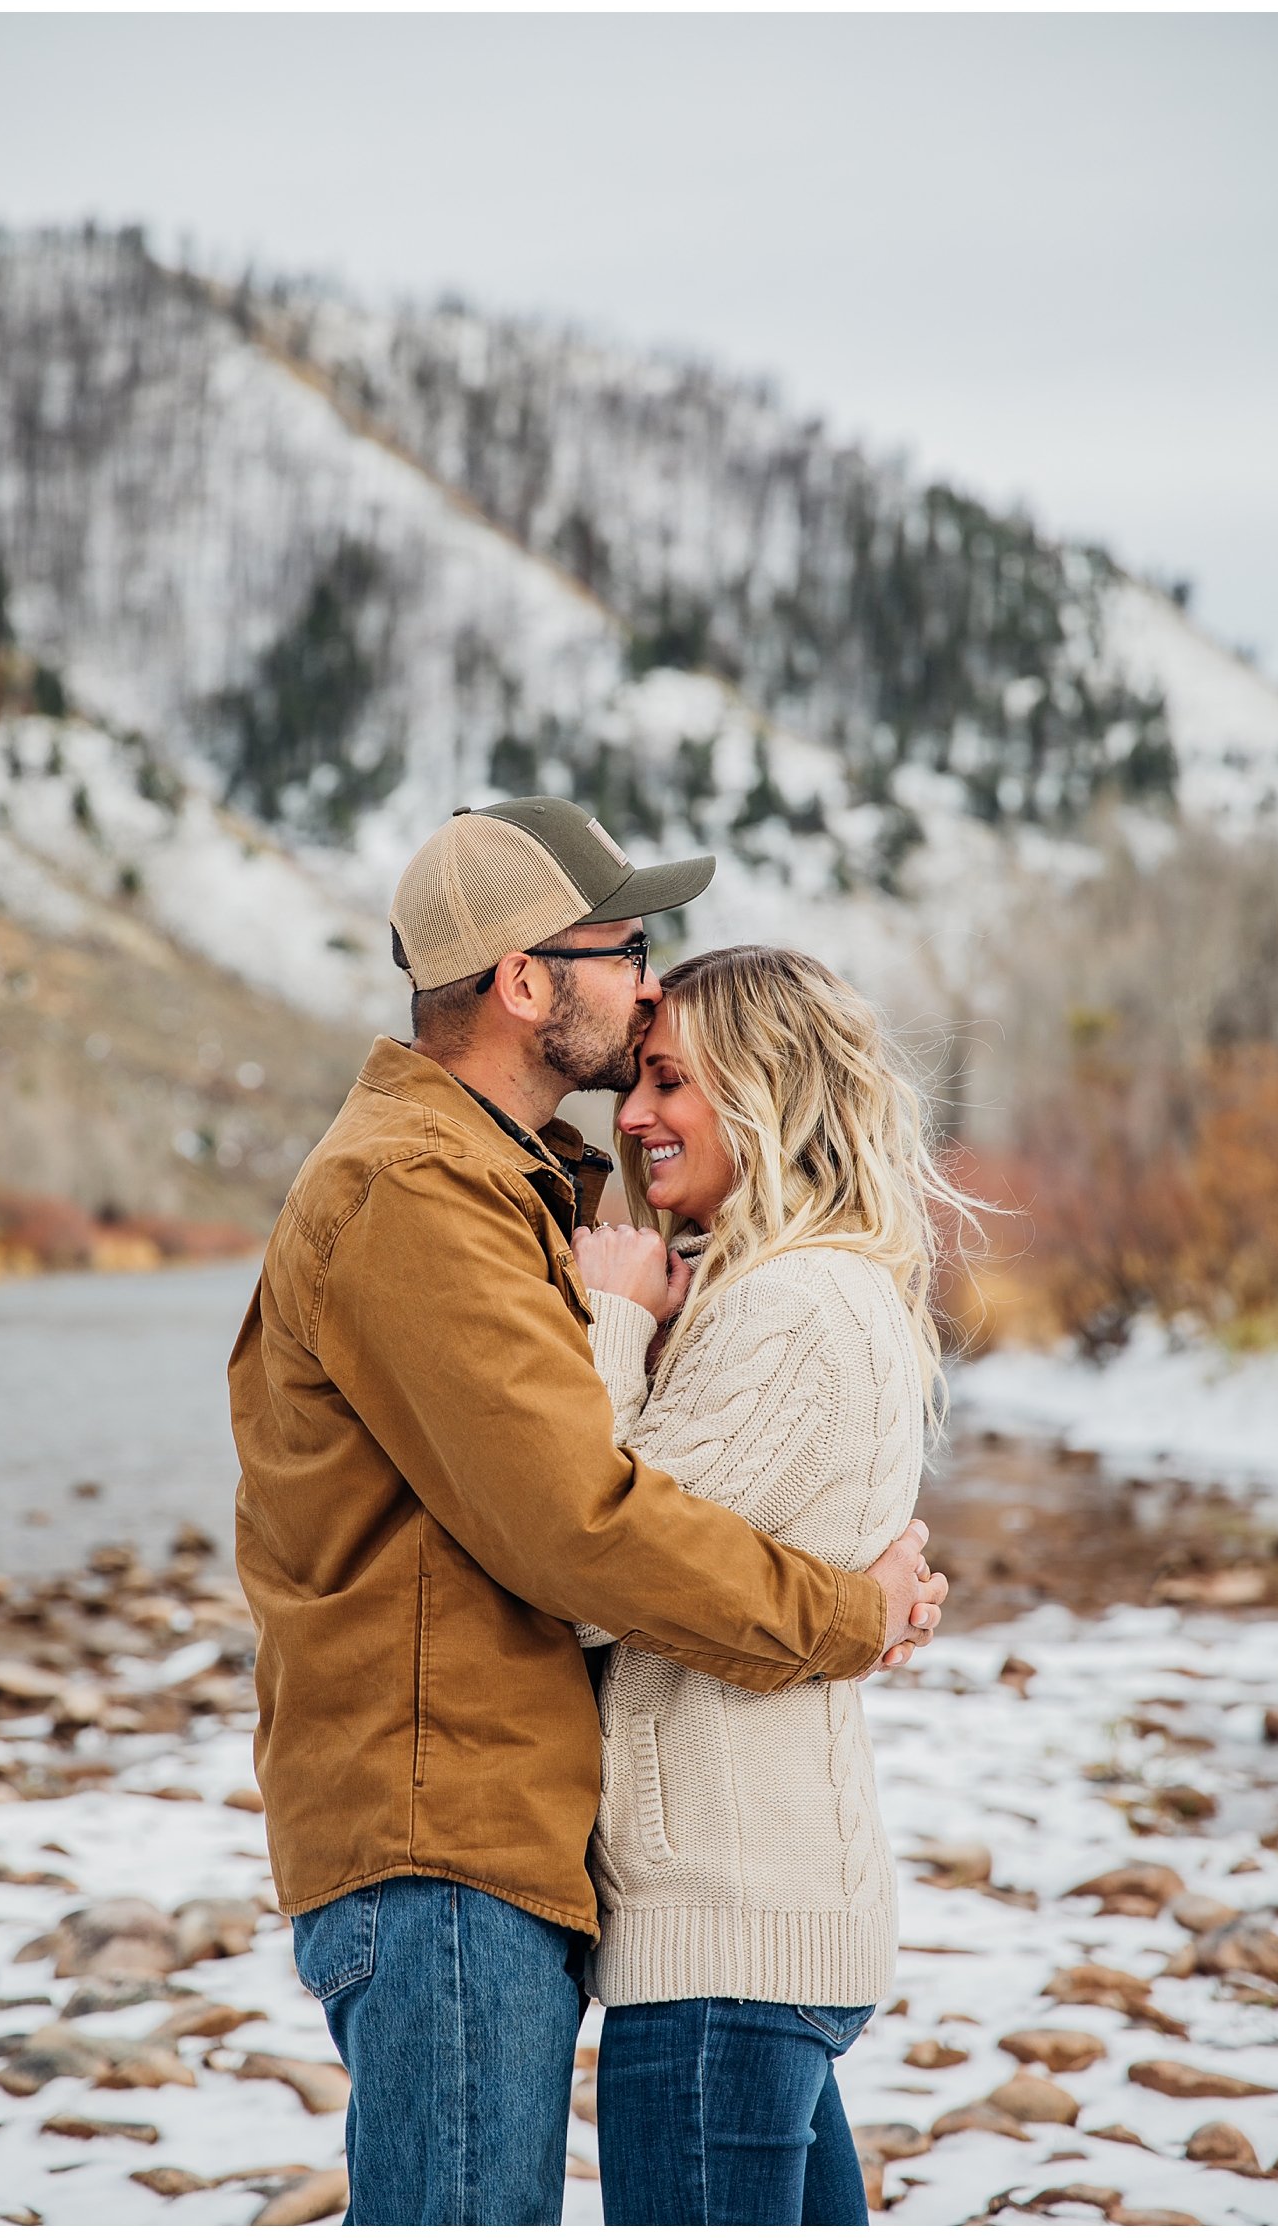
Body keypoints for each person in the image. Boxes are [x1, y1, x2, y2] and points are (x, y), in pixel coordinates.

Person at [227, 798, 948, 2227]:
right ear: (522, 981)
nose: (646, 979)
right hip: (443, 1845)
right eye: (624, 947)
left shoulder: (502, 1187)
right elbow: (585, 1531)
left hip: (498, 1845)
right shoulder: (411, 1193)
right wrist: (848, 1611)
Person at [570, 945, 975, 2227]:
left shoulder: (790, 1306)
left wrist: (616, 1320)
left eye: (672, 1079)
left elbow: (592, 1568)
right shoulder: (814, 1289)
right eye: (637, 1077)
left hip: (724, 1938)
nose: (634, 1116)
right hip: (776, 1920)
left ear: (769, 1088)